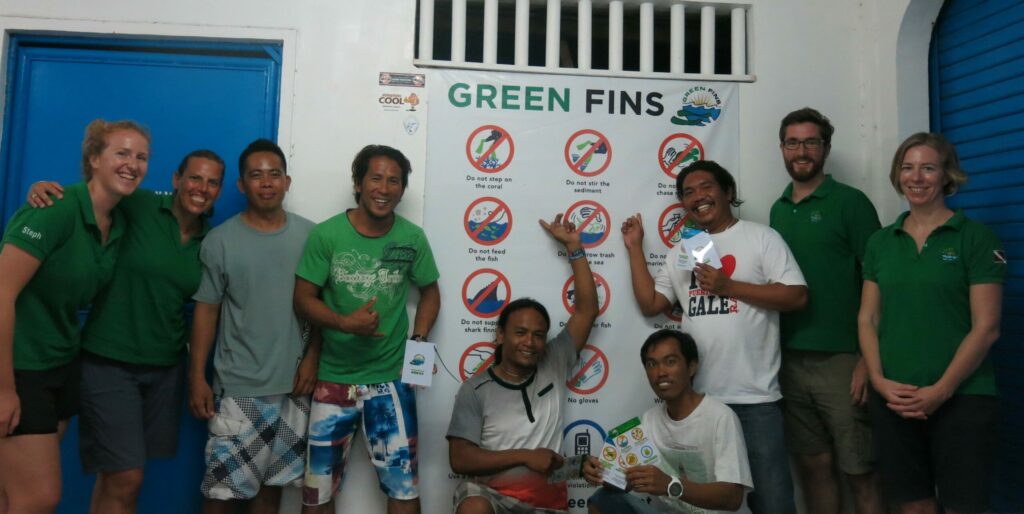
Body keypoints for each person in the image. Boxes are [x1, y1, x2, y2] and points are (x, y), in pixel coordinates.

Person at [25, 149, 225, 514]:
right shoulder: (141, 205)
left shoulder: (212, 241)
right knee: (126, 477)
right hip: (109, 362)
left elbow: (205, 311)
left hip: (164, 370)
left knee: (118, 479)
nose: (202, 188)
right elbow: (93, 195)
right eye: (195, 178)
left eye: (213, 182)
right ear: (176, 180)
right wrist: (47, 191)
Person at [622, 160, 806, 514]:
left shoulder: (761, 237)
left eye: (706, 187)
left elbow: (796, 296)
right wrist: (634, 248)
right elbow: (651, 303)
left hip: (755, 401)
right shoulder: (684, 249)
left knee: (772, 502)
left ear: (729, 193)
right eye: (688, 192)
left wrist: (729, 286)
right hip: (701, 405)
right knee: (710, 506)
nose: (698, 197)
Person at [0, 119, 150, 513]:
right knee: (37, 498)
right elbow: (1, 292)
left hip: (61, 364)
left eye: (141, 157)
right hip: (19, 366)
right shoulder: (54, 207)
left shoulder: (117, 223)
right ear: (94, 159)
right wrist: (3, 388)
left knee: (12, 494)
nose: (132, 164)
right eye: (121, 153)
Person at [858, 133, 1005, 514]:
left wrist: (942, 390)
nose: (916, 177)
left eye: (928, 168)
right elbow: (868, 317)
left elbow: (987, 326)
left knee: (962, 505)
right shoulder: (880, 242)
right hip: (894, 397)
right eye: (908, 168)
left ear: (946, 175)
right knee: (913, 504)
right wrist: (878, 380)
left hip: (963, 397)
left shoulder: (975, 238)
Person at [294, 145, 441, 514]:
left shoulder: (412, 238)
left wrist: (419, 344)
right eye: (376, 178)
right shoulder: (326, 235)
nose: (384, 188)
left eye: (394, 181)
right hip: (333, 379)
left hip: (390, 381)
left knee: (404, 489)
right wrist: (345, 323)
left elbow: (431, 293)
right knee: (317, 493)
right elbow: (303, 299)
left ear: (403, 189)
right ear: (358, 184)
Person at [188, 139, 319, 514]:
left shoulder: (312, 237)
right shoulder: (221, 241)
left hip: (294, 387)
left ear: (287, 182)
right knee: (222, 492)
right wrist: (197, 376)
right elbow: (206, 312)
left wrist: (312, 358)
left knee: (273, 487)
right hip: (239, 388)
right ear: (242, 185)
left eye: (274, 174)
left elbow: (322, 307)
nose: (266, 182)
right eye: (256, 175)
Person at [769, 107, 883, 514]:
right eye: (793, 142)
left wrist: (868, 361)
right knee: (814, 470)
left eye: (811, 142)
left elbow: (881, 283)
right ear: (782, 148)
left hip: (844, 361)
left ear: (826, 148)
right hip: (790, 362)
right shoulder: (778, 210)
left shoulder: (851, 203)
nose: (802, 151)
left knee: (861, 472)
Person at [446, 213, 599, 514]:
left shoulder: (553, 361)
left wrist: (574, 248)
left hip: (546, 503)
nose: (529, 342)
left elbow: (587, 310)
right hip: (492, 497)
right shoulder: (476, 389)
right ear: (500, 335)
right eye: (520, 333)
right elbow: (460, 459)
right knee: (473, 506)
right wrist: (524, 456)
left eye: (538, 335)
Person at [583, 329, 753, 514]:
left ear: (692, 367)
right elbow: (626, 483)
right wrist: (603, 475)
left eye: (670, 362)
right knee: (602, 499)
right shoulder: (650, 420)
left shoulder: (721, 417)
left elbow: (732, 498)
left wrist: (671, 485)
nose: (660, 372)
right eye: (651, 364)